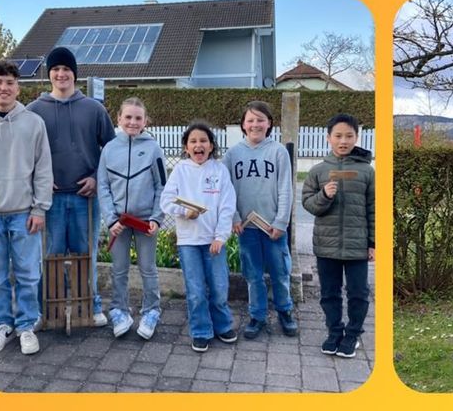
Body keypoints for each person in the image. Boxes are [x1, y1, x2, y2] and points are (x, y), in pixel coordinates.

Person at [26, 46, 115, 329]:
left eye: (66, 69)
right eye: (56, 69)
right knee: (48, 256)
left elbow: (110, 151)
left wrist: (96, 178)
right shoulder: (34, 111)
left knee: (84, 255)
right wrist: (38, 181)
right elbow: (23, 154)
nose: (61, 74)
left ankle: (89, 306)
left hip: (83, 198)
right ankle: (46, 311)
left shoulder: (94, 109)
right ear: (49, 74)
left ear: (74, 74)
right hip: (48, 200)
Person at [0, 59, 52, 357]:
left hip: (24, 213)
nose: (4, 88)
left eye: (10, 83)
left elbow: (43, 168)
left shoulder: (33, 123)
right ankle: (2, 326)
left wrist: (40, 208)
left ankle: (26, 326)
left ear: (18, 87)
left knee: (28, 273)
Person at [302, 113, 376, 359]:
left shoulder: (367, 171)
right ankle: (334, 332)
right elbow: (308, 205)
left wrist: (373, 243)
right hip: (327, 246)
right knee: (329, 293)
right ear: (328, 138)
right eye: (338, 136)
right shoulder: (318, 171)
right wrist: (324, 195)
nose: (343, 141)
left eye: (349, 136)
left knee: (358, 293)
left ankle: (353, 335)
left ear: (357, 137)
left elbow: (374, 208)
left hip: (357, 247)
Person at [159, 122, 237, 352]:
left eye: (203, 141)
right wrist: (184, 212)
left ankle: (222, 326)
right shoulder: (180, 171)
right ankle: (201, 330)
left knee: (219, 286)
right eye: (193, 141)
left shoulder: (219, 170)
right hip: (189, 242)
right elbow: (166, 201)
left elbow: (227, 206)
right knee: (195, 291)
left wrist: (221, 237)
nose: (198, 145)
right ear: (186, 147)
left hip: (214, 241)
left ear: (211, 146)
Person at [225, 100, 296, 339]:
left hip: (272, 227)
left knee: (280, 272)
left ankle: (285, 311)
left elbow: (286, 188)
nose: (255, 124)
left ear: (269, 124)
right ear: (243, 124)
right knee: (253, 274)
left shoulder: (277, 152)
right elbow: (228, 190)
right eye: (250, 120)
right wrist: (234, 216)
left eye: (260, 119)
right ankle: (257, 315)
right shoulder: (233, 154)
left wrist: (281, 222)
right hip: (248, 228)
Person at [97, 97, 166, 340]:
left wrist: (157, 218)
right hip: (118, 223)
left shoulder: (154, 148)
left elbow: (162, 187)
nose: (133, 122)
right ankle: (119, 309)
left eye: (138, 118)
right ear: (118, 118)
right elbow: (103, 186)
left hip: (146, 221)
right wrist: (110, 219)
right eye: (128, 117)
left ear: (146, 121)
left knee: (148, 268)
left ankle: (151, 310)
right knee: (119, 269)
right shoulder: (109, 149)